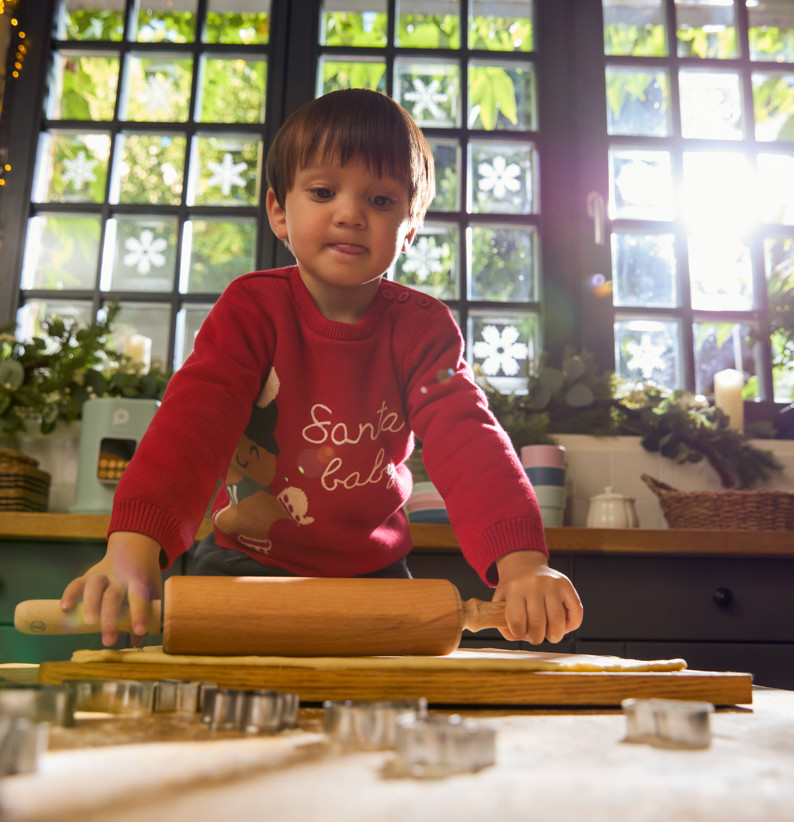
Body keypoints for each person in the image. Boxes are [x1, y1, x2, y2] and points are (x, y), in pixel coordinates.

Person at [60, 88, 583, 649]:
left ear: (409, 226)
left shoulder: (423, 330)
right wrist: (135, 543)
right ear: (279, 211)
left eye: (380, 199)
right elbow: (192, 425)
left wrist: (522, 561)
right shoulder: (251, 310)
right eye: (323, 191)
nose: (350, 214)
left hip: (376, 580)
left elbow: (468, 440)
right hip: (244, 567)